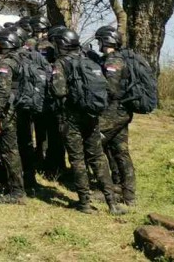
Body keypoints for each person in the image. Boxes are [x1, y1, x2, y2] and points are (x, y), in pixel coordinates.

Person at [50, 29, 124, 215]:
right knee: (98, 157)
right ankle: (112, 203)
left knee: (77, 158)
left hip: (71, 117)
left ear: (61, 44)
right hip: (92, 116)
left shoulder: (61, 63)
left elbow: (59, 91)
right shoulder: (89, 60)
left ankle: (84, 202)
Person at [94, 26, 137, 207]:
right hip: (121, 110)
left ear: (107, 41)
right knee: (119, 150)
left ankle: (110, 189)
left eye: (100, 41)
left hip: (114, 111)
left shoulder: (113, 62)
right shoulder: (114, 59)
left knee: (95, 144)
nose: (98, 44)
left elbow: (110, 89)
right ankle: (127, 194)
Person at [0, 30, 26, 204]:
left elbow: (3, 91)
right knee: (20, 147)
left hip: (9, 110)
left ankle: (17, 192)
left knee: (9, 150)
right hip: (23, 107)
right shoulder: (22, 58)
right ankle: (22, 183)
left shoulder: (6, 63)